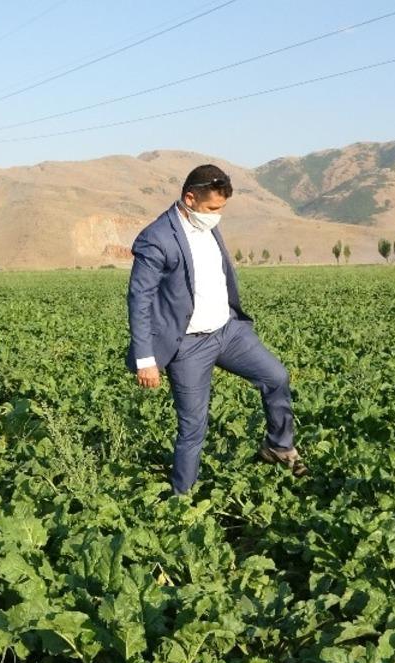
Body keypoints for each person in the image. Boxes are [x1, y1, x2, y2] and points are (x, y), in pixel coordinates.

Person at [125, 164, 307, 496]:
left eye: (221, 208)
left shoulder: (207, 224)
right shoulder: (157, 238)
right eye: (212, 208)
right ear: (189, 199)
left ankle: (278, 446)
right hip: (189, 345)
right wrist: (145, 359)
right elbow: (140, 299)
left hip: (228, 332)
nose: (217, 215)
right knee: (193, 427)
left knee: (276, 377)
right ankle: (181, 498)